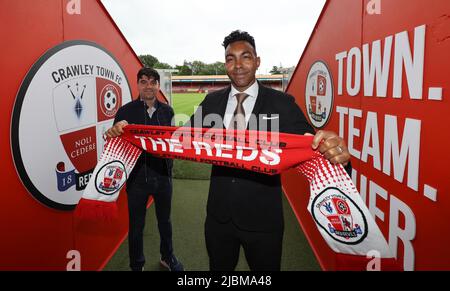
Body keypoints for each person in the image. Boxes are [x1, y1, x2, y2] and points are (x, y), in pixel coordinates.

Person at [187, 30, 352, 271]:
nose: (238, 65)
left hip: (264, 221)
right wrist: (133, 132)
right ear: (225, 64)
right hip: (218, 218)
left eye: (245, 56)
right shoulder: (211, 102)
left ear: (257, 61)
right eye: (230, 58)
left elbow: (313, 146)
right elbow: (179, 138)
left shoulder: (281, 103)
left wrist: (338, 156)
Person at [106, 68, 184, 271]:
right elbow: (112, 141)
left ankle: (167, 257)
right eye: (143, 81)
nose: (148, 86)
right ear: (138, 85)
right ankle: (136, 265)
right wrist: (115, 130)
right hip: (136, 179)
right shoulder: (125, 111)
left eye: (152, 82)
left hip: (163, 177)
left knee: (165, 222)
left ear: (158, 85)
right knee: (136, 226)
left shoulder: (168, 110)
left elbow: (172, 143)